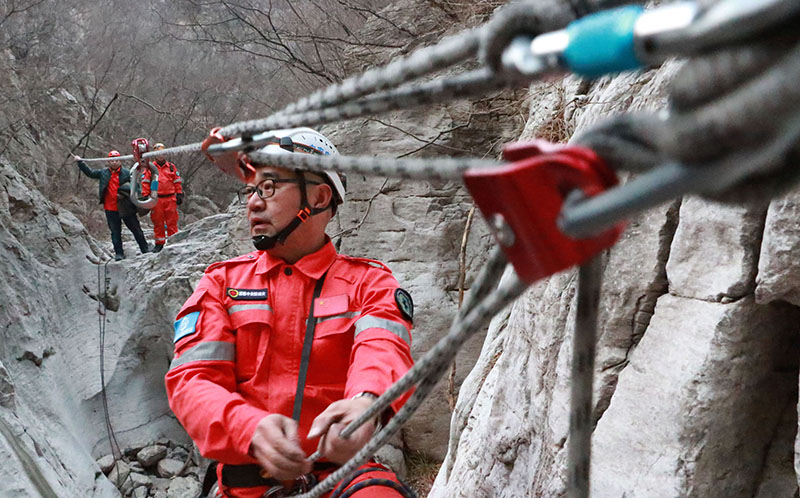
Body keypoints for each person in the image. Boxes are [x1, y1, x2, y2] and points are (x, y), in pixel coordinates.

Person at [165, 128, 416, 498]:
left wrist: (366, 403)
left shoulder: (369, 283)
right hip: (243, 486)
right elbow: (191, 380)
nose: (253, 202)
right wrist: (247, 427)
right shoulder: (221, 284)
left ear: (318, 197)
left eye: (268, 187)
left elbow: (382, 351)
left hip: (343, 482)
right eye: (250, 190)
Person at [75, 151, 150, 260]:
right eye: (112, 160)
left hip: (126, 207)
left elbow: (136, 187)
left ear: (120, 161)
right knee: (115, 232)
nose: (114, 162)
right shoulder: (103, 173)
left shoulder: (127, 173)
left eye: (117, 160)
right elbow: (90, 173)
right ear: (108, 161)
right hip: (110, 208)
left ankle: (145, 249)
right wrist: (80, 162)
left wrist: (140, 199)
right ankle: (119, 254)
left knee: (136, 229)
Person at [141, 142, 183, 252]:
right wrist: (145, 196)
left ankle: (173, 242)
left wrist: (179, 193)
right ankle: (159, 244)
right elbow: (145, 182)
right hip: (156, 199)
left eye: (162, 153)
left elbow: (177, 181)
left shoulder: (171, 167)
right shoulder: (150, 168)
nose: (161, 155)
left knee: (172, 221)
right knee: (158, 222)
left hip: (170, 198)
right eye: (158, 153)